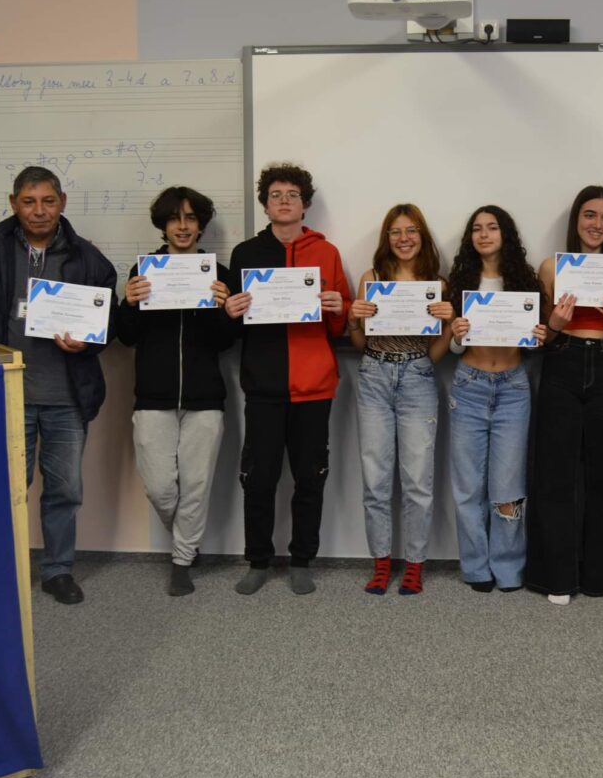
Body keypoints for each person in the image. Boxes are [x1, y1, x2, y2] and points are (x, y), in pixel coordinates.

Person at [0, 166, 117, 605]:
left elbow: (108, 321)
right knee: (6, 491)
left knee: (65, 491)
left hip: (66, 397)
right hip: (7, 394)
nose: (39, 211)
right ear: (13, 203)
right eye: (29, 202)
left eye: (48, 201)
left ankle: (58, 570)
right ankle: (3, 571)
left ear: (62, 202)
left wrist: (88, 342)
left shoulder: (88, 257)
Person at [223, 163, 351, 596]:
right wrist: (231, 313)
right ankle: (258, 560)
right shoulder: (245, 254)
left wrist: (339, 308)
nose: (284, 201)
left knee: (310, 478)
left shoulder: (327, 253)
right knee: (259, 478)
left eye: (292, 195)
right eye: (275, 195)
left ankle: (301, 560)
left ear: (305, 204)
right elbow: (234, 326)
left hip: (315, 386)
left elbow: (340, 324)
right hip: (263, 385)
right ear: (265, 204)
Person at [526, 185, 603, 605]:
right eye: (590, 215)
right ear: (576, 220)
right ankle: (557, 577)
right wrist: (556, 323)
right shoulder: (550, 268)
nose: (598, 224)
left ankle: (598, 577)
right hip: (563, 363)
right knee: (555, 476)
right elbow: (540, 335)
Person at [116, 186, 234, 597]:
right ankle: (186, 537)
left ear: (201, 225)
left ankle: (182, 559)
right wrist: (128, 304)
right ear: (163, 225)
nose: (182, 227)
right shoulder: (143, 271)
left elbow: (226, 342)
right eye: (173, 218)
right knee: (161, 488)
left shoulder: (220, 275)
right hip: (153, 396)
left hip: (205, 398)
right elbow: (127, 337)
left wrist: (222, 310)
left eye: (190, 218)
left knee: (197, 485)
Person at [347, 204, 454, 596]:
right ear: (386, 238)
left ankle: (414, 564)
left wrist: (448, 322)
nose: (404, 238)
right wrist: (354, 320)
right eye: (395, 231)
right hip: (374, 375)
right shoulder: (372, 279)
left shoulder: (437, 285)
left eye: (411, 231)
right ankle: (380, 563)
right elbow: (360, 344)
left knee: (417, 480)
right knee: (375, 478)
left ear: (422, 236)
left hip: (418, 378)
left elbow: (436, 353)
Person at [446, 205, 546, 593]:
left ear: (506, 234)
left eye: (492, 227)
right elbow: (453, 348)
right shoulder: (459, 282)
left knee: (508, 485)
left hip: (513, 388)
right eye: (477, 229)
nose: (484, 234)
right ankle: (475, 568)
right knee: (468, 487)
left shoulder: (525, 280)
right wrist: (456, 334)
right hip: (469, 385)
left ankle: (507, 567)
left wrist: (538, 338)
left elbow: (534, 345)